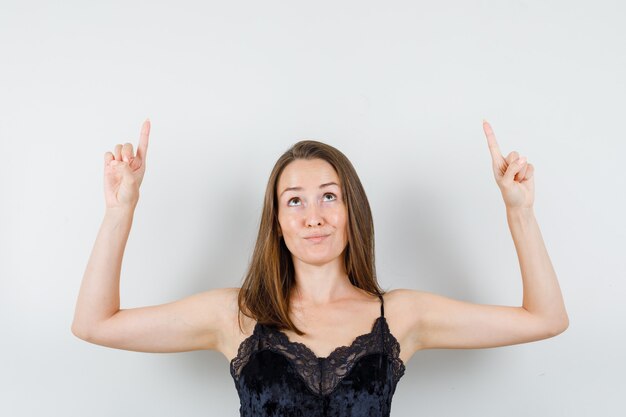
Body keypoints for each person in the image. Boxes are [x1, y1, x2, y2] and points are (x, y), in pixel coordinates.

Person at [71, 119, 569, 416]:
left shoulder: (401, 316)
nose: (314, 216)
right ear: (278, 224)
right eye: (295, 201)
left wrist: (519, 211)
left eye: (329, 197)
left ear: (352, 211)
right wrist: (120, 211)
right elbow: (95, 325)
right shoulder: (237, 316)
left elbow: (545, 319)